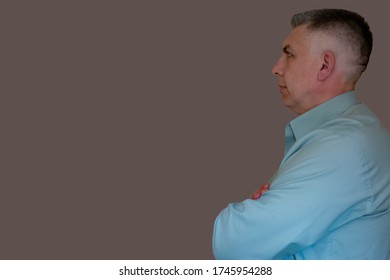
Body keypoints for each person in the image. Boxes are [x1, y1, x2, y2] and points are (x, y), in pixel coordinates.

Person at [212, 8, 390, 260]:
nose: (276, 68)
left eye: (289, 54)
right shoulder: (360, 133)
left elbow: (231, 243)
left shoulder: (341, 148)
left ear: (325, 65)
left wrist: (251, 209)